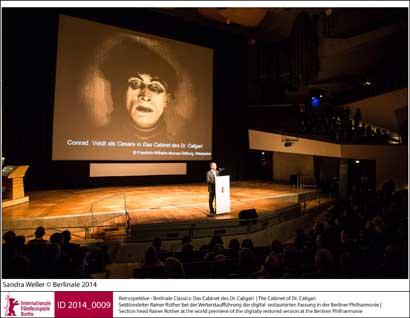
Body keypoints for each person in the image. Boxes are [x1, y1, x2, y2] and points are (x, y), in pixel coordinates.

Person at [100, 38, 178, 142]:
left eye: (155, 87)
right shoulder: (97, 138)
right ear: (123, 93)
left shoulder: (177, 147)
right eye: (136, 83)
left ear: (167, 100)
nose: (145, 96)